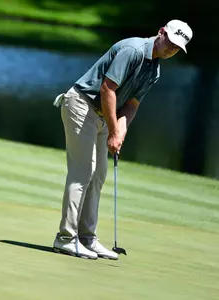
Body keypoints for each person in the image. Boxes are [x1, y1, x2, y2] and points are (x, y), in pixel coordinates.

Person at [52, 20, 193, 260]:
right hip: (82, 104)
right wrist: (114, 128)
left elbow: (132, 104)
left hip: (103, 115)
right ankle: (65, 238)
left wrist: (121, 130)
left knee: (99, 175)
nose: (171, 49)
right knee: (83, 171)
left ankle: (87, 238)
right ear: (161, 32)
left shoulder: (154, 69)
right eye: (170, 42)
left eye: (176, 48)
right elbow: (108, 89)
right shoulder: (133, 51)